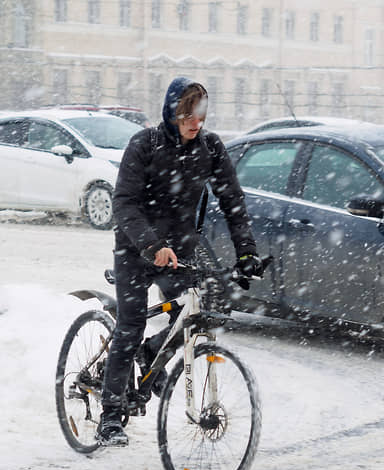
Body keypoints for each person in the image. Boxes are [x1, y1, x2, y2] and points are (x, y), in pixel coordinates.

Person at [97, 77, 263, 447]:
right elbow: (124, 202)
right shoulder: (145, 144)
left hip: (180, 252)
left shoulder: (210, 148)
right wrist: (151, 243)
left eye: (200, 113)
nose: (195, 121)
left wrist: (246, 252)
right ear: (173, 111)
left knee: (190, 316)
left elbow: (233, 202)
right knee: (130, 325)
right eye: (187, 113)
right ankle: (110, 415)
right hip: (136, 250)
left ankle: (152, 353)